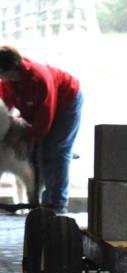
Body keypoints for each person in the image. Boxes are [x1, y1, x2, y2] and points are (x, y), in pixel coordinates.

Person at [0, 46, 82, 213]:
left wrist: (24, 139)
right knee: (38, 152)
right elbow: (4, 107)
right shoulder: (9, 81)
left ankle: (56, 203)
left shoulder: (39, 79)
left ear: (12, 70)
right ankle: (39, 201)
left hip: (66, 101)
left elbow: (44, 122)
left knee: (57, 149)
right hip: (37, 107)